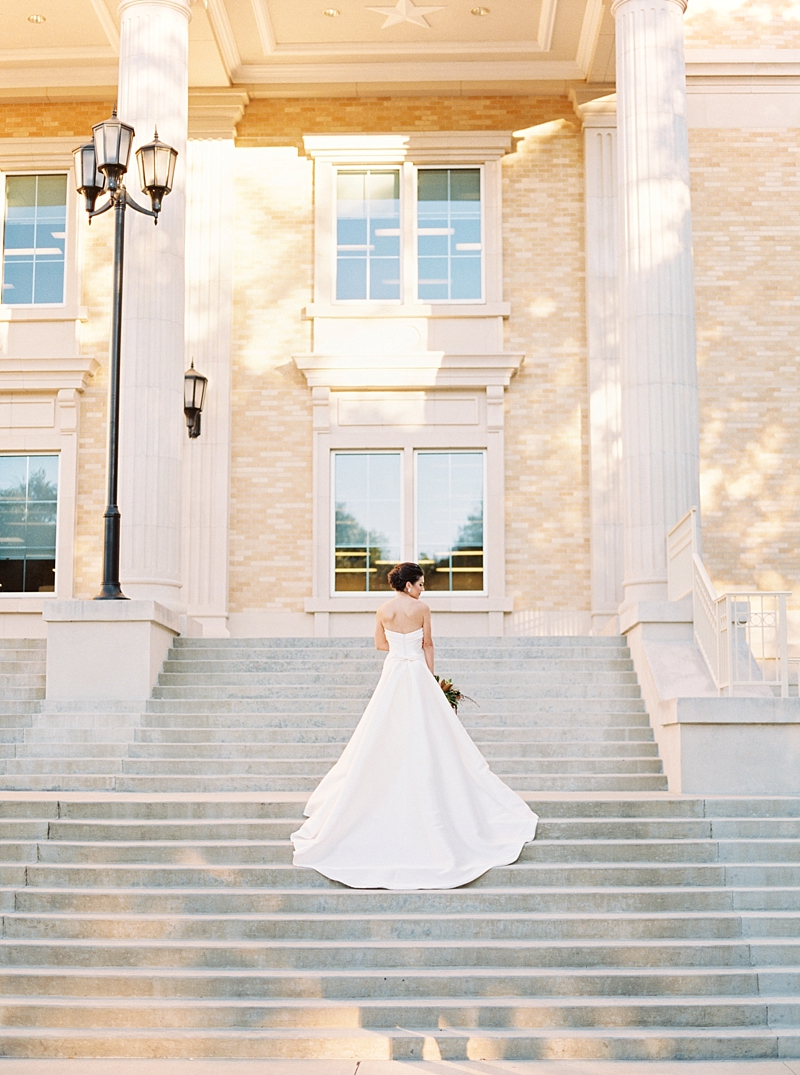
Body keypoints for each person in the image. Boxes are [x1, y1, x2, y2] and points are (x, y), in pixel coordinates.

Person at [291, 562, 538, 889]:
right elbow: (428, 645)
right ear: (408, 585)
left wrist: (398, 646)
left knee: (382, 727)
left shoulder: (383, 609)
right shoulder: (421, 608)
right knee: (429, 729)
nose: (422, 589)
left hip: (394, 671)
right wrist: (432, 678)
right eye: (420, 583)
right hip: (416, 673)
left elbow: (380, 645)